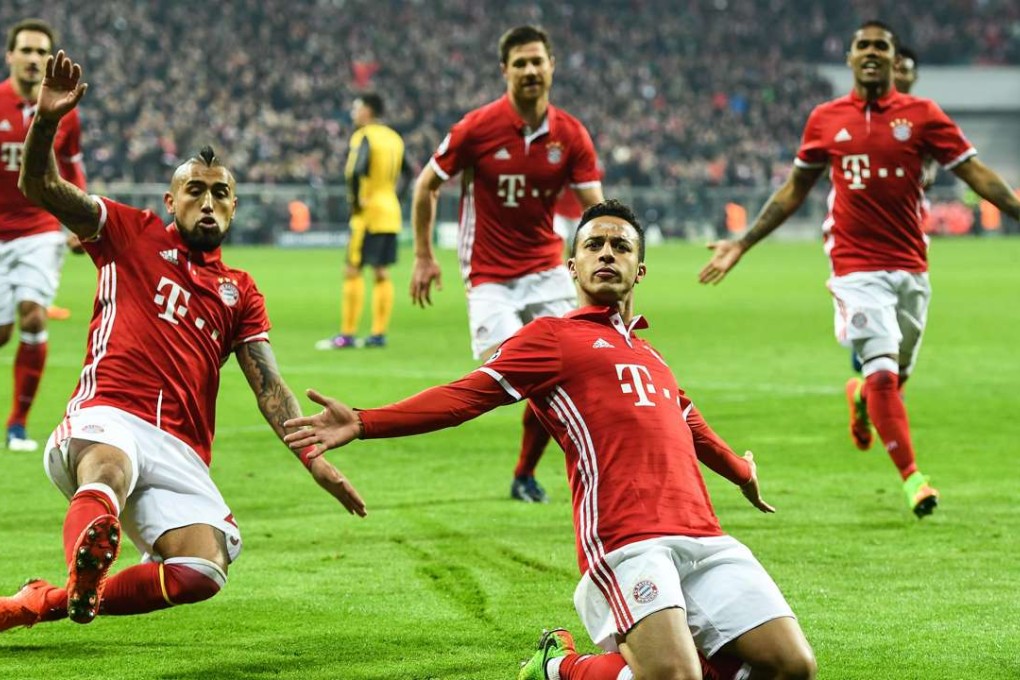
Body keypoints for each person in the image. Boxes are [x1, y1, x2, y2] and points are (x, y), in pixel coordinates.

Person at [285, 200, 817, 680]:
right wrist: (364, 419)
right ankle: (560, 667)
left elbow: (690, 423)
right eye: (593, 245)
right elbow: (464, 396)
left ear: (641, 269)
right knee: (674, 677)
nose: (607, 253)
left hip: (705, 536)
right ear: (573, 266)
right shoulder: (550, 339)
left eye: (620, 246)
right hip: (626, 538)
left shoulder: (651, 355)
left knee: (792, 666)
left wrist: (741, 473)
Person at [0, 50, 364, 632]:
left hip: (181, 449)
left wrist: (311, 456)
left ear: (235, 209)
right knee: (108, 473)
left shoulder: (240, 291)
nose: (209, 202)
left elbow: (269, 386)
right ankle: (85, 558)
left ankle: (40, 601)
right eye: (195, 190)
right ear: (170, 201)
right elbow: (39, 183)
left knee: (203, 568)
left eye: (221, 194)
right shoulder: (125, 231)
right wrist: (46, 121)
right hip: (110, 414)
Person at [699, 21, 1020, 518]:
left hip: (911, 266)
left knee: (893, 373)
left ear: (895, 61)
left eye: (881, 47)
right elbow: (793, 191)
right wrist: (743, 242)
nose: (872, 53)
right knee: (885, 373)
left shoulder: (923, 116)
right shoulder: (826, 118)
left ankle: (861, 397)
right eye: (863, 46)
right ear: (849, 58)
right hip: (854, 266)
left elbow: (976, 174)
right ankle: (914, 479)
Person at [409, 25, 603, 503]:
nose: (530, 70)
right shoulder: (477, 128)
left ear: (552, 66)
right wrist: (422, 255)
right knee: (528, 371)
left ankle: (525, 475)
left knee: (564, 370)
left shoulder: (570, 134)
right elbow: (424, 186)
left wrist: (607, 257)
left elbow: (596, 210)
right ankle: (548, 468)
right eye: (520, 63)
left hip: (546, 271)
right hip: (489, 276)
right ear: (505, 71)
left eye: (538, 61)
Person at [0, 19, 86, 451]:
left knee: (33, 315)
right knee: (1, 331)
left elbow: (71, 168)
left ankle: (17, 424)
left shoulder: (64, 112)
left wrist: (80, 220)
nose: (34, 59)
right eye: (27, 51)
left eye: (41, 52)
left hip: (39, 229)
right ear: (10, 55)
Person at [317, 93, 411, 350]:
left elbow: (354, 171)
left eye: (356, 107)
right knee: (381, 272)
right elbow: (409, 172)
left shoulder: (364, 136)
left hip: (368, 212)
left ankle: (347, 334)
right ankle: (378, 334)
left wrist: (355, 203)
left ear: (368, 110)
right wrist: (395, 197)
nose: (353, 111)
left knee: (352, 269)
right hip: (390, 210)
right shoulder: (394, 137)